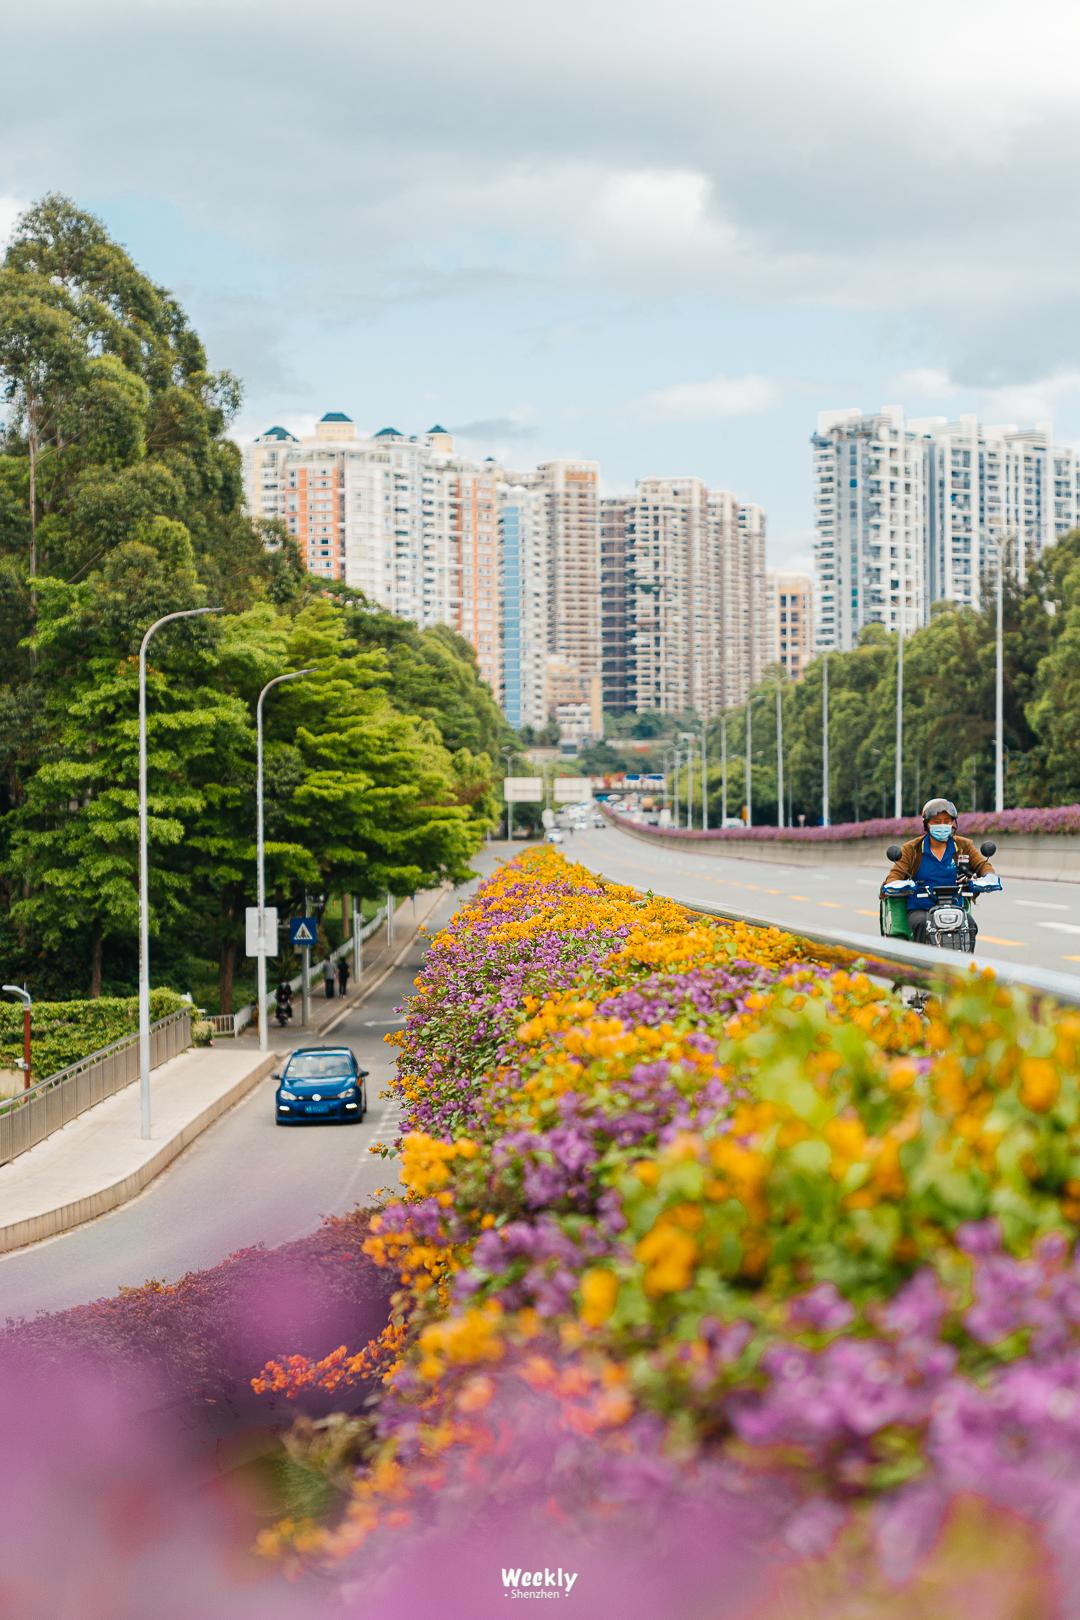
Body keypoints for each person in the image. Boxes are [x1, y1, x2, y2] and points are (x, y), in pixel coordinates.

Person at [882, 798, 997, 944]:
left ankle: (964, 964)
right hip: (921, 909)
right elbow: (894, 876)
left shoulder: (963, 846)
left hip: (954, 907)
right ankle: (921, 964)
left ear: (952, 823)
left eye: (947, 821)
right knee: (922, 925)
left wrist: (989, 877)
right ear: (927, 824)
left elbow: (982, 865)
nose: (942, 826)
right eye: (936, 822)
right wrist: (901, 884)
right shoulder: (912, 849)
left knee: (970, 925)